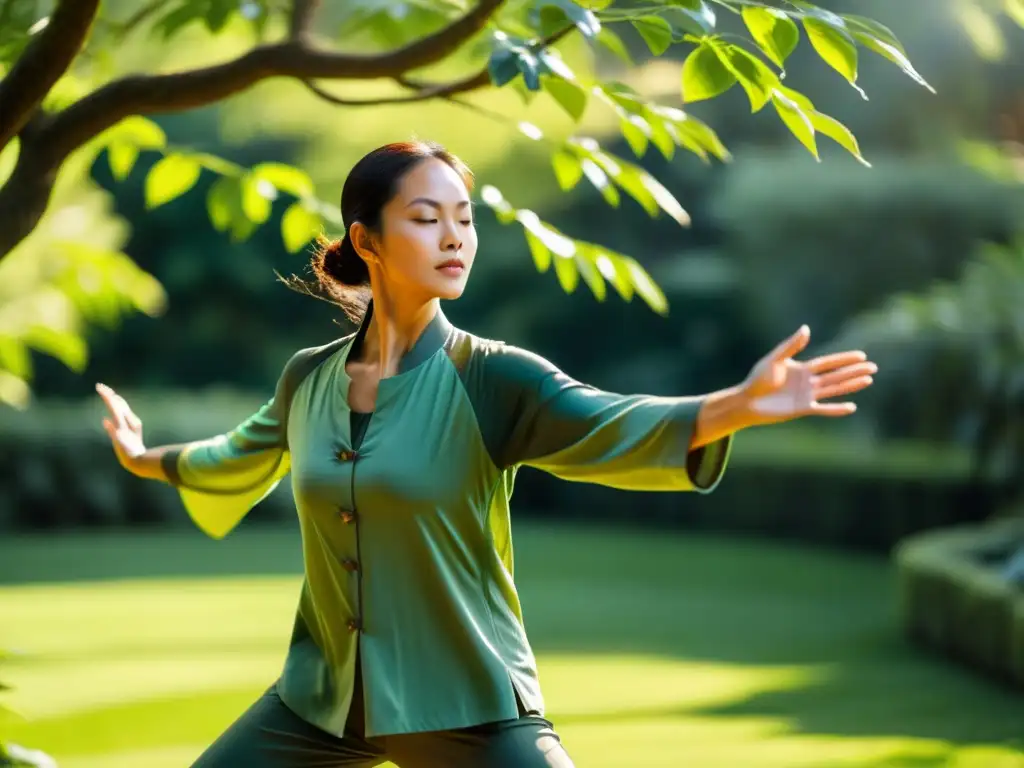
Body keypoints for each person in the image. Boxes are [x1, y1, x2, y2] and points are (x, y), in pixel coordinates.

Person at [96, 140, 877, 768]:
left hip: (468, 703)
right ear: (366, 241)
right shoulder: (308, 378)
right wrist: (145, 458)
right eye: (427, 218)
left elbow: (608, 420)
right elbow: (237, 453)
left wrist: (733, 406)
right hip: (322, 702)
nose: (455, 238)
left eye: (464, 219)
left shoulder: (493, 377)